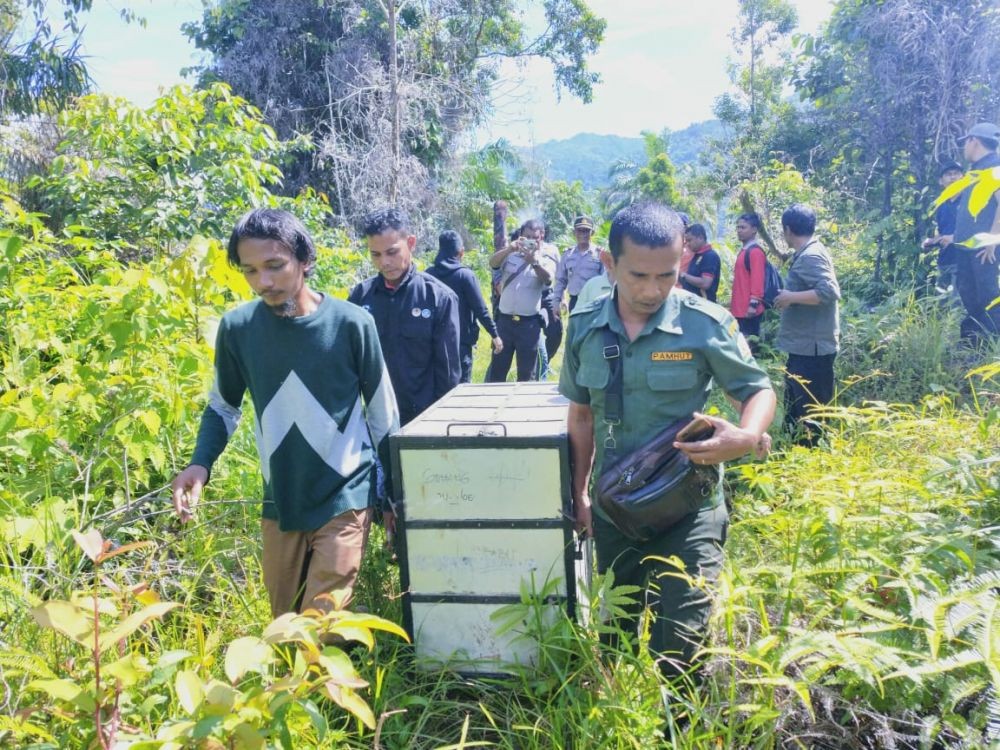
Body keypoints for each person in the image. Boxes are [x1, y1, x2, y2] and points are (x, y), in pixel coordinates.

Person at [560, 201, 775, 681]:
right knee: (614, 631)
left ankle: (678, 723)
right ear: (609, 264)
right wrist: (579, 494)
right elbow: (580, 417)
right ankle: (615, 713)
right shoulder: (584, 326)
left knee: (681, 644)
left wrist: (747, 434)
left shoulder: (704, 324)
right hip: (615, 507)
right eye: (638, 276)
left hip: (689, 507)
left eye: (668, 276)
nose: (654, 290)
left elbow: (757, 389)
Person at [170, 208, 400, 618]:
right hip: (281, 499)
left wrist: (394, 495)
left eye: (275, 266)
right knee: (284, 622)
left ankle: (327, 679)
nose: (264, 282)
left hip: (345, 493)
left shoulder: (351, 324)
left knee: (318, 623)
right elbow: (223, 406)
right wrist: (199, 464)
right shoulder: (239, 329)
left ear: (304, 259)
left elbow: (382, 413)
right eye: (251, 271)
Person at [349, 208, 461, 426]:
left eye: (392, 252)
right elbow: (348, 364)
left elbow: (448, 374)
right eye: (375, 254)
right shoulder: (360, 297)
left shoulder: (438, 298)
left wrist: (439, 424)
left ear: (410, 243)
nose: (384, 262)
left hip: (423, 420)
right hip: (375, 420)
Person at [773, 204, 841, 446]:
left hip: (812, 347)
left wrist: (791, 297)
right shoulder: (808, 252)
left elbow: (829, 291)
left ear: (788, 230)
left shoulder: (811, 255)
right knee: (797, 403)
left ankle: (812, 452)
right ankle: (795, 450)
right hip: (804, 345)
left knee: (810, 407)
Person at [426, 230, 503, 383]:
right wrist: (495, 335)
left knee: (437, 386)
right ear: (461, 252)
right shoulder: (465, 276)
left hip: (433, 342)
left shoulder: (428, 275)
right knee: (461, 387)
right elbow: (480, 309)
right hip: (460, 343)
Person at [487, 218, 558, 382]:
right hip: (504, 323)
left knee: (526, 376)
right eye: (527, 236)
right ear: (521, 235)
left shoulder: (546, 258)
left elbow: (548, 279)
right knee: (497, 373)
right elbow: (493, 263)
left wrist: (534, 262)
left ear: (542, 236)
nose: (531, 241)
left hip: (529, 325)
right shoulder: (510, 253)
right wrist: (509, 249)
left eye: (536, 237)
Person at [953, 122, 1000, 344]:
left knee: (988, 294)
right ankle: (973, 343)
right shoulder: (977, 169)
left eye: (966, 143)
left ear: (974, 141)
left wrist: (992, 241)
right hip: (968, 246)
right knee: (969, 292)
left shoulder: (994, 167)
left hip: (983, 248)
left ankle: (991, 345)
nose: (965, 149)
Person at [922, 162, 964, 296]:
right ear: (941, 181)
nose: (952, 177)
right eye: (948, 174)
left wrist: (954, 238)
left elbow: (980, 230)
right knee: (941, 305)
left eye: (956, 174)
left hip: (963, 261)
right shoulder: (941, 204)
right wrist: (932, 241)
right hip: (945, 261)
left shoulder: (970, 201)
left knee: (958, 306)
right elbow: (942, 231)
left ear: (963, 177)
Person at [729, 212, 767, 349]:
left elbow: (758, 281)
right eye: (738, 227)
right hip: (739, 310)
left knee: (749, 349)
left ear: (754, 230)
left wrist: (753, 306)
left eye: (743, 227)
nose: (739, 230)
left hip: (748, 311)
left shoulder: (755, 252)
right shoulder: (745, 251)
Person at [554, 215, 605, 312]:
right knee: (575, 327)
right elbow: (561, 281)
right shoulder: (568, 255)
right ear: (574, 232)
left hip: (594, 302)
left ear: (592, 233)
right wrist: (556, 302)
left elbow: (606, 280)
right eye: (579, 230)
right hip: (575, 301)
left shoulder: (600, 254)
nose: (583, 234)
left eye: (586, 231)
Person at [679, 223, 721, 303]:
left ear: (700, 238)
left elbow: (705, 283)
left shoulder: (710, 256)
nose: (687, 244)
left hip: (703, 306)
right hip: (692, 303)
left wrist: (683, 275)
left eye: (689, 240)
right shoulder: (696, 255)